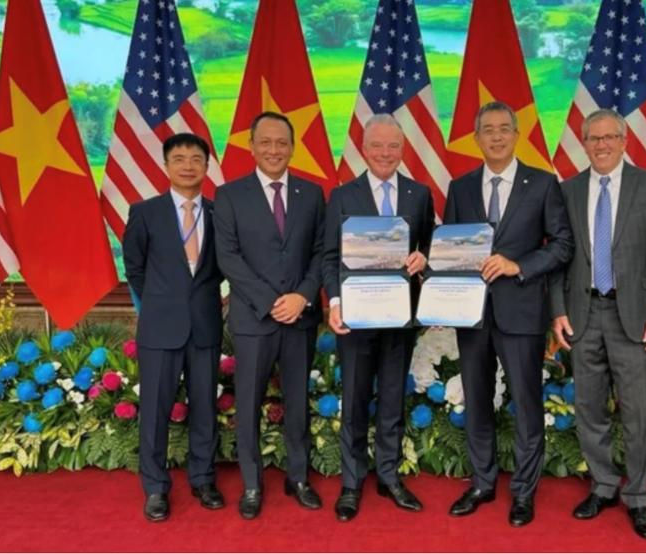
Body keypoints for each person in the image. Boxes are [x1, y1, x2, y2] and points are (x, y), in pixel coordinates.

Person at [443, 101, 573, 527]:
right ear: (476, 138)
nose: (496, 136)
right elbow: (450, 250)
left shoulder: (543, 183)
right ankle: (482, 483)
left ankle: (524, 492)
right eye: (488, 130)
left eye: (504, 129)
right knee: (477, 399)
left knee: (526, 403)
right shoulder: (460, 188)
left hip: (521, 310)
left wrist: (520, 265)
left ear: (517, 135)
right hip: (472, 314)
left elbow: (562, 245)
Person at [549, 109, 646, 539]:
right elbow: (559, 256)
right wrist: (557, 309)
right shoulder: (567, 190)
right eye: (593, 138)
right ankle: (603, 486)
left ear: (624, 141)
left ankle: (638, 497)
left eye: (609, 137)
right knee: (589, 408)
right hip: (583, 314)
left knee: (639, 412)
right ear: (584, 144)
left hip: (636, 317)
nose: (601, 145)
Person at [213, 111, 326, 520]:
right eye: (265, 142)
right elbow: (229, 257)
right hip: (253, 319)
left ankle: (299, 478)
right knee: (248, 404)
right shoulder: (229, 195)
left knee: (298, 401)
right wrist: (272, 302)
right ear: (251, 146)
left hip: (300, 318)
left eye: (281, 142)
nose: (274, 149)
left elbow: (322, 252)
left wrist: (302, 296)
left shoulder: (312, 194)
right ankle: (252, 484)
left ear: (292, 147)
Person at [322, 114, 435, 522]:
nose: (385, 153)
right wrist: (335, 302)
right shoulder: (341, 196)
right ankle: (352, 483)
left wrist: (424, 258)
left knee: (392, 398)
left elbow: (430, 247)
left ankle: (389, 477)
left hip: (399, 316)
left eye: (393, 146)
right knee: (354, 400)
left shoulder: (420, 194)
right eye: (377, 145)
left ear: (402, 150)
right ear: (363, 149)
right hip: (355, 317)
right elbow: (329, 257)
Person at [123, 132, 225, 522]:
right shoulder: (144, 212)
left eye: (196, 159)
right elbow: (135, 267)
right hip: (160, 327)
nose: (188, 166)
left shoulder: (219, 213)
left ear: (206, 166)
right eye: (179, 159)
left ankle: (203, 478)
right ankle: (155, 487)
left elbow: (223, 265)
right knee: (155, 410)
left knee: (205, 406)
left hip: (205, 325)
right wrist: (161, 300)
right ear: (166, 165)